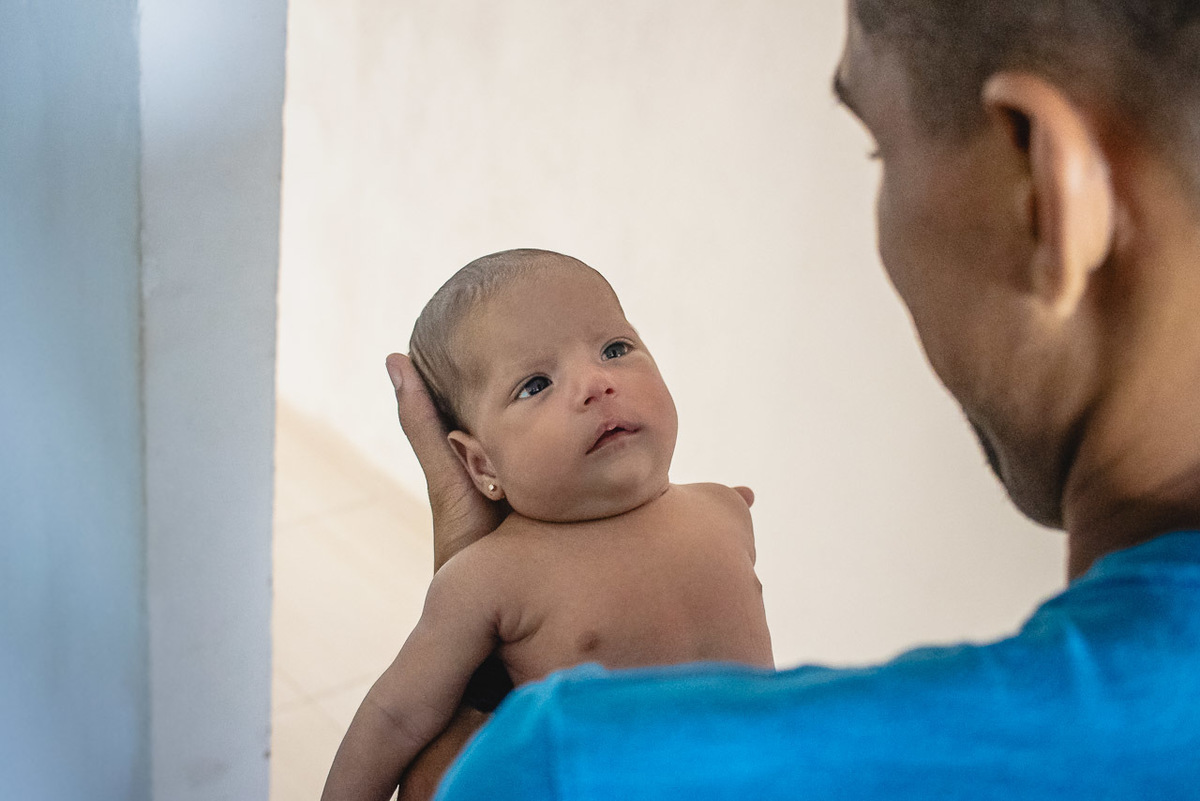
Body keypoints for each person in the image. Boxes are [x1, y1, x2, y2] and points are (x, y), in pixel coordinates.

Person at [383, 0, 1200, 797]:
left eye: (880, 148)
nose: (595, 381)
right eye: (536, 382)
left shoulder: (569, 763)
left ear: (1042, 188)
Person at [321, 249, 774, 801]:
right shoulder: (492, 576)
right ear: (482, 465)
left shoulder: (724, 509)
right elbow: (395, 717)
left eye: (615, 348)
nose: (596, 383)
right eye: (536, 384)